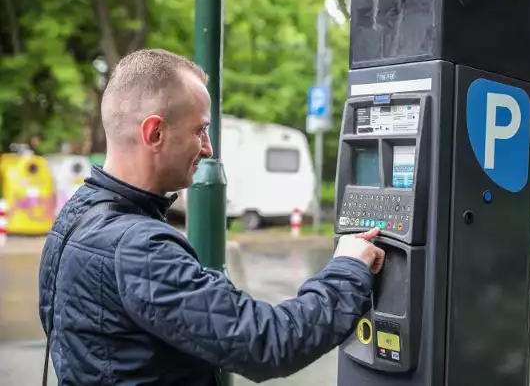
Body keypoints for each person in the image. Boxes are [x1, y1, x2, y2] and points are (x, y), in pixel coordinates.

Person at [38, 48, 385, 385]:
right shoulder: (139, 247)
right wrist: (348, 269)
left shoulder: (75, 217)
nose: (208, 148)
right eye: (199, 130)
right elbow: (268, 344)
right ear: (154, 133)